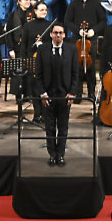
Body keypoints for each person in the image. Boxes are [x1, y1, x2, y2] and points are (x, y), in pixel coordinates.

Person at [33, 23, 79, 167]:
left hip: (65, 96)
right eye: (55, 33)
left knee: (63, 128)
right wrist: (42, 94)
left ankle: (61, 155)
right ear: (51, 34)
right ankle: (52, 154)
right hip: (48, 96)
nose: (58, 35)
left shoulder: (72, 49)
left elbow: (75, 74)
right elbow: (38, 75)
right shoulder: (42, 49)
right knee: (50, 127)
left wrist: (72, 92)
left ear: (64, 35)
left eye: (60, 33)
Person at [64, 0, 106, 101]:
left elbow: (103, 20)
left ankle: (91, 93)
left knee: (91, 67)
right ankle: (77, 93)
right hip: (77, 39)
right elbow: (67, 21)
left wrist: (94, 30)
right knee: (76, 67)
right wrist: (78, 31)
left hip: (91, 39)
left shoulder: (96, 3)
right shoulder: (73, 4)